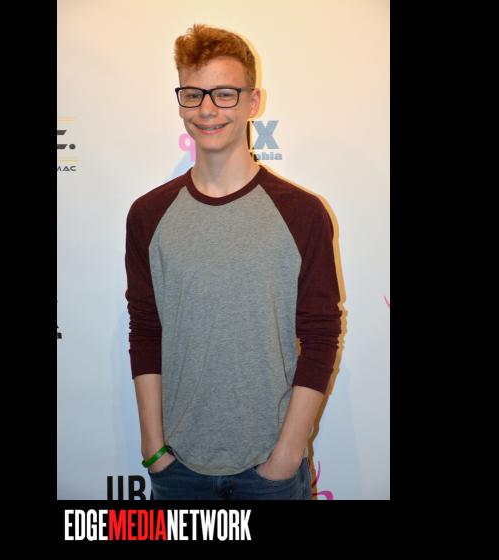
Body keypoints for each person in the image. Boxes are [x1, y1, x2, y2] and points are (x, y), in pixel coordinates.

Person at [124, 23, 342, 500]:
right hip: (178, 469)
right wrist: (153, 448)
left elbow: (321, 336)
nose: (207, 109)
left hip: (272, 470)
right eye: (193, 94)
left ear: (253, 102)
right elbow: (146, 330)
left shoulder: (302, 214)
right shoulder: (148, 215)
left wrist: (287, 455)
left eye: (225, 94)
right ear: (180, 101)